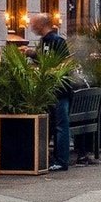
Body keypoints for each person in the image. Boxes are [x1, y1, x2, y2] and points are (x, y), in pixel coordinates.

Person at [29, 12, 72, 171]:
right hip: (50, 89)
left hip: (59, 90)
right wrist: (34, 55)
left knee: (61, 125)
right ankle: (52, 158)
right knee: (54, 125)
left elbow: (62, 64)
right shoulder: (44, 41)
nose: (32, 27)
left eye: (33, 24)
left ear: (42, 24)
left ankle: (62, 161)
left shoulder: (56, 41)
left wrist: (35, 56)